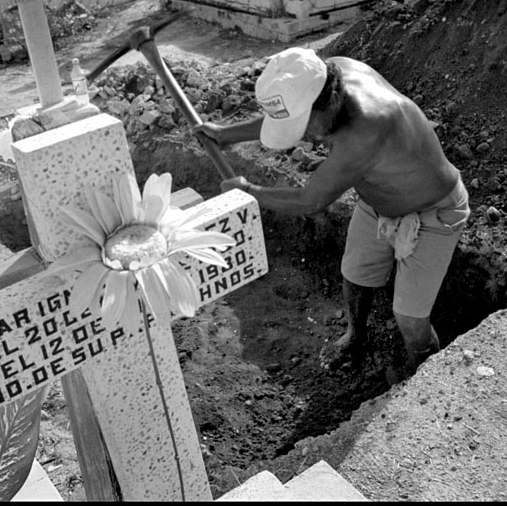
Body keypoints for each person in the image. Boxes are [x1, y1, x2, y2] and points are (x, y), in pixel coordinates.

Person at [194, 47, 470, 375]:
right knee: (355, 274)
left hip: (433, 211)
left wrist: (249, 192)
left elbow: (311, 201)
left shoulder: (366, 127)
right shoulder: (325, 76)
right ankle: (355, 335)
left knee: (410, 319)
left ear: (329, 101)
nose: (307, 139)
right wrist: (225, 135)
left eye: (305, 127)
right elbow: (288, 115)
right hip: (377, 198)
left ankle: (423, 384)